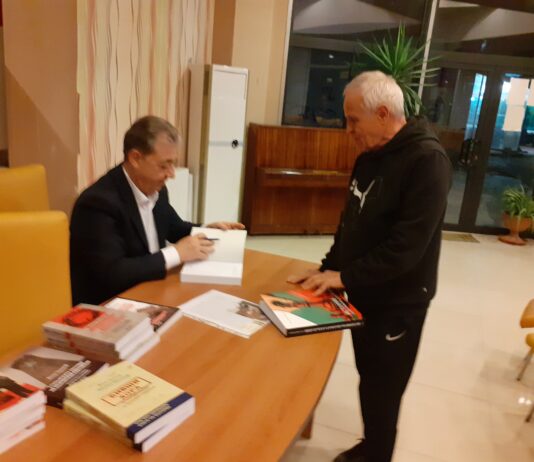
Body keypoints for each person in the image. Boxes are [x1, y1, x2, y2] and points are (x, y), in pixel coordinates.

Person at [288, 71, 452, 462]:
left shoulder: (427, 161)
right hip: (364, 291)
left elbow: (405, 249)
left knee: (384, 387)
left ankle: (377, 454)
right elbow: (351, 225)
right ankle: (371, 446)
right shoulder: (369, 158)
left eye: (352, 120)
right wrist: (326, 269)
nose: (348, 130)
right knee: (369, 376)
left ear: (382, 114)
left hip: (399, 302)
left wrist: (344, 276)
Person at [70, 115, 244, 305]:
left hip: (150, 291)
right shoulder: (97, 203)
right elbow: (113, 273)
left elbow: (174, 227)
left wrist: (207, 230)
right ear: (135, 158)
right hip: (108, 305)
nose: (171, 174)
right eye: (163, 165)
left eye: (173, 163)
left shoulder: (156, 188)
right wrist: (177, 253)